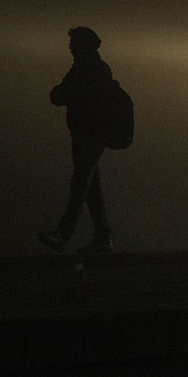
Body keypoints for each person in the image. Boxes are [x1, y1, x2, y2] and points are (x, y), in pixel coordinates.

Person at [39, 27, 115, 254]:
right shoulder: (95, 69)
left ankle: (63, 234)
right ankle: (103, 239)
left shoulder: (86, 70)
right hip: (89, 135)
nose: (70, 47)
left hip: (90, 135)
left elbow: (58, 95)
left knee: (81, 182)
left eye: (74, 43)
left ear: (84, 45)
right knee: (91, 188)